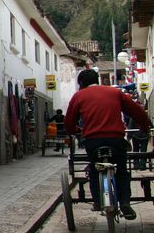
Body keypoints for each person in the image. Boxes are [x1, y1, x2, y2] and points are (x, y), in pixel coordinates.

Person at [64, 69, 150, 220]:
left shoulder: (78, 96)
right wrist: (144, 127)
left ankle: (97, 201)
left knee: (94, 169)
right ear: (98, 80)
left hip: (93, 141)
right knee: (122, 171)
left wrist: (75, 130)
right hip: (116, 140)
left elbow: (69, 123)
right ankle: (124, 202)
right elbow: (137, 111)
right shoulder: (115, 93)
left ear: (81, 83)